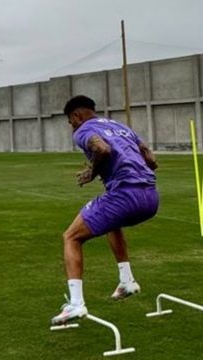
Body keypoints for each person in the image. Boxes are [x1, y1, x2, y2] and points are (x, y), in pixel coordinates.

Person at [51, 95, 159, 326]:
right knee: (112, 222)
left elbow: (103, 149)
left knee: (71, 237)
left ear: (76, 116)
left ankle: (76, 304)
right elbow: (150, 159)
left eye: (71, 123)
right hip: (151, 196)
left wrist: (93, 172)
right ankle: (127, 281)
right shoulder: (120, 127)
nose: (73, 128)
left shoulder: (83, 130)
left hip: (125, 196)